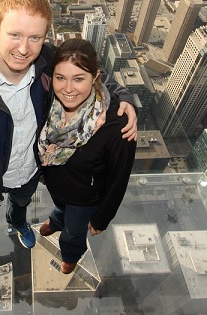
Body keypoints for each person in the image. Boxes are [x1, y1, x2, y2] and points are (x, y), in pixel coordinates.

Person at [0, 0, 138, 276]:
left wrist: (124, 96)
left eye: (35, 38)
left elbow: (89, 73)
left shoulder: (47, 64)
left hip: (28, 171)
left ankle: (17, 224)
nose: (23, 48)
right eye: (15, 34)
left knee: (20, 206)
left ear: (45, 39)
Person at [38, 38, 137, 274]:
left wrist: (102, 218)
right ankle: (56, 221)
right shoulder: (50, 102)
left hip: (85, 197)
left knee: (74, 230)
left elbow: (119, 178)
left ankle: (71, 254)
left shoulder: (117, 125)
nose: (68, 88)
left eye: (79, 79)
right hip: (57, 185)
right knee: (61, 209)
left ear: (95, 77)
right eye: (60, 78)